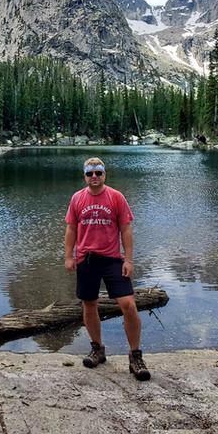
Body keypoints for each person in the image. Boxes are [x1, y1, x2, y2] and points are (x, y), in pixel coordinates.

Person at [64, 157, 150, 381]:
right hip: (87, 259)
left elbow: (126, 230)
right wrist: (69, 256)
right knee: (89, 304)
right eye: (90, 173)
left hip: (112, 259)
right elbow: (71, 229)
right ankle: (97, 349)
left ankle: (135, 355)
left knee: (128, 305)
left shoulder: (116, 197)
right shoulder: (77, 198)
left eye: (98, 173)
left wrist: (128, 260)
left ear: (105, 174)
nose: (94, 177)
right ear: (84, 176)